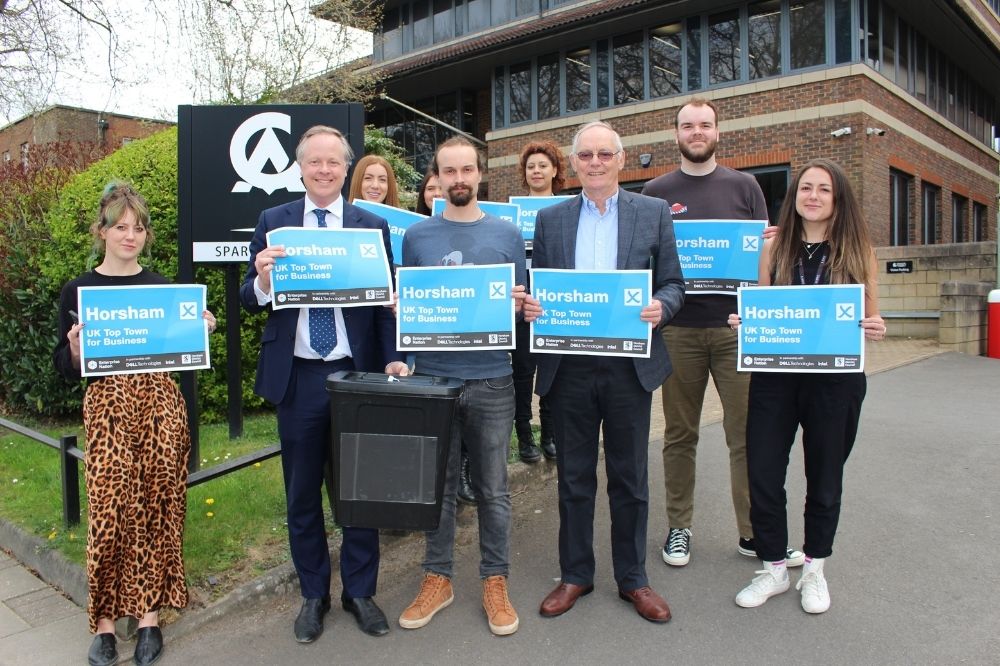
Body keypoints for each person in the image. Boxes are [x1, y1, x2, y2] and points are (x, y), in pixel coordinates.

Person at [240, 126, 407, 643]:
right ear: (300, 167)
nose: (325, 170)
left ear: (345, 167)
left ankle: (360, 592)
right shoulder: (275, 222)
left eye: (334, 162)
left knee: (361, 489)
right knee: (302, 493)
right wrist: (264, 280)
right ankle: (314, 594)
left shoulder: (370, 226)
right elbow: (249, 296)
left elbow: (385, 307)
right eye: (315, 162)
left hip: (355, 373)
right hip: (300, 377)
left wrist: (395, 359)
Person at [524, 120, 685, 623]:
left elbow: (675, 284)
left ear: (620, 159)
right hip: (569, 369)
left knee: (630, 478)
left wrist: (662, 305)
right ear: (573, 164)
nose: (595, 163)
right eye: (586, 156)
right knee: (573, 478)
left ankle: (633, 579)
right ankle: (575, 574)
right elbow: (540, 287)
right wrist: (532, 307)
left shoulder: (653, 212)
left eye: (604, 155)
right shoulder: (551, 220)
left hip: (628, 368)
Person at [53, 182, 217, 666]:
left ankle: (148, 617)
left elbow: (181, 356)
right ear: (101, 231)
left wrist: (199, 329)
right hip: (107, 408)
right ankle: (103, 622)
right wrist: (77, 350)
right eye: (121, 227)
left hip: (161, 406)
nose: (130, 236)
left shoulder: (163, 286)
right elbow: (62, 366)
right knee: (108, 510)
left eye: (138, 228)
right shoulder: (77, 289)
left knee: (157, 504)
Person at [641, 98, 804, 568]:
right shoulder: (656, 190)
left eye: (705, 125)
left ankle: (753, 534)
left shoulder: (745, 185)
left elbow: (762, 257)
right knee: (678, 434)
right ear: (676, 134)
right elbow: (648, 259)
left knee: (747, 434)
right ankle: (679, 528)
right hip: (679, 330)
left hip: (737, 328)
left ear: (717, 132)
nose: (697, 132)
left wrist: (766, 269)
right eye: (688, 126)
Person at [727, 158, 885, 614]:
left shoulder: (858, 250)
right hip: (776, 378)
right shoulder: (773, 249)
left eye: (823, 190)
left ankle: (814, 568)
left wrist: (876, 327)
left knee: (825, 477)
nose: (812, 196)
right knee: (763, 472)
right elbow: (763, 304)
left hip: (835, 382)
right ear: (793, 198)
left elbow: (871, 316)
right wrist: (747, 320)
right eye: (805, 189)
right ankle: (775, 567)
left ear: (838, 200)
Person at [397, 136, 527, 637]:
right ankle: (438, 577)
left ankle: (495, 580)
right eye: (448, 171)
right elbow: (411, 302)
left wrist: (519, 303)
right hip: (434, 378)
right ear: (437, 177)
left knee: (494, 489)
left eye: (466, 170)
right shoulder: (417, 237)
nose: (458, 179)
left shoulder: (507, 234)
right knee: (439, 486)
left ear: (480, 174)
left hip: (492, 377)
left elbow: (522, 298)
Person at [415, 167, 478, 505]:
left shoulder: (498, 232)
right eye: (432, 188)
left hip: (478, 358)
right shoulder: (416, 235)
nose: (438, 193)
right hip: (431, 354)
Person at [510, 140, 566, 463]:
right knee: (522, 371)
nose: (536, 171)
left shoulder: (567, 211)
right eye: (531, 166)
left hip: (553, 302)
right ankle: (525, 435)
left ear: (555, 170)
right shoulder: (511, 214)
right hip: (521, 301)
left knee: (552, 370)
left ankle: (549, 432)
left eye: (543, 165)